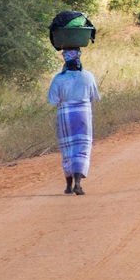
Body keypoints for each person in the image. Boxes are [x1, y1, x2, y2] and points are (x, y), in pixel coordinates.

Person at [47, 49, 101, 195]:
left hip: (65, 115)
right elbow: (94, 96)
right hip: (83, 114)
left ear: (65, 60)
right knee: (82, 147)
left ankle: (68, 186)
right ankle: (78, 183)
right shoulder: (88, 76)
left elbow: (53, 100)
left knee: (67, 149)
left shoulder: (58, 79)